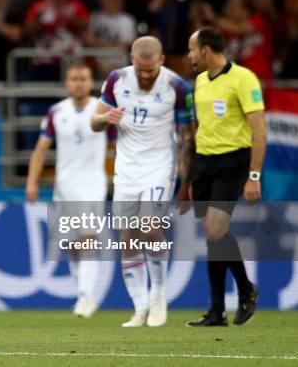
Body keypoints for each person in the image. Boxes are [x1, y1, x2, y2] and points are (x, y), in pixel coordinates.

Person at [91, 36, 195, 327]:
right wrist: (106, 118)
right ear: (132, 61)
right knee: (128, 237)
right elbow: (93, 122)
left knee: (149, 228)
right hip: (126, 169)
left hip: (160, 166)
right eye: (140, 70)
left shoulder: (177, 86)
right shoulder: (116, 80)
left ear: (161, 60)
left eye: (151, 70)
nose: (146, 75)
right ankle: (139, 308)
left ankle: (159, 294)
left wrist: (188, 181)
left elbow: (189, 137)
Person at [185, 27, 264, 327]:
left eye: (192, 49)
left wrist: (253, 175)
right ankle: (217, 310)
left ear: (206, 49)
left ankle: (246, 289)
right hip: (204, 162)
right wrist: (190, 176)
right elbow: (198, 128)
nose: (190, 56)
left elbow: (260, 129)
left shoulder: (244, 79)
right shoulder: (200, 81)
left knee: (217, 229)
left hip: (233, 160)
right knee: (211, 235)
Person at [27, 64, 108, 318]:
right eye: (74, 79)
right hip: (64, 184)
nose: (79, 83)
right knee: (72, 243)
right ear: (67, 83)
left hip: (93, 182)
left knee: (88, 238)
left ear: (91, 81)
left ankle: (84, 298)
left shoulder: (102, 109)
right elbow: (41, 149)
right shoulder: (56, 112)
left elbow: (120, 140)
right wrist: (32, 181)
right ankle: (84, 294)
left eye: (83, 78)